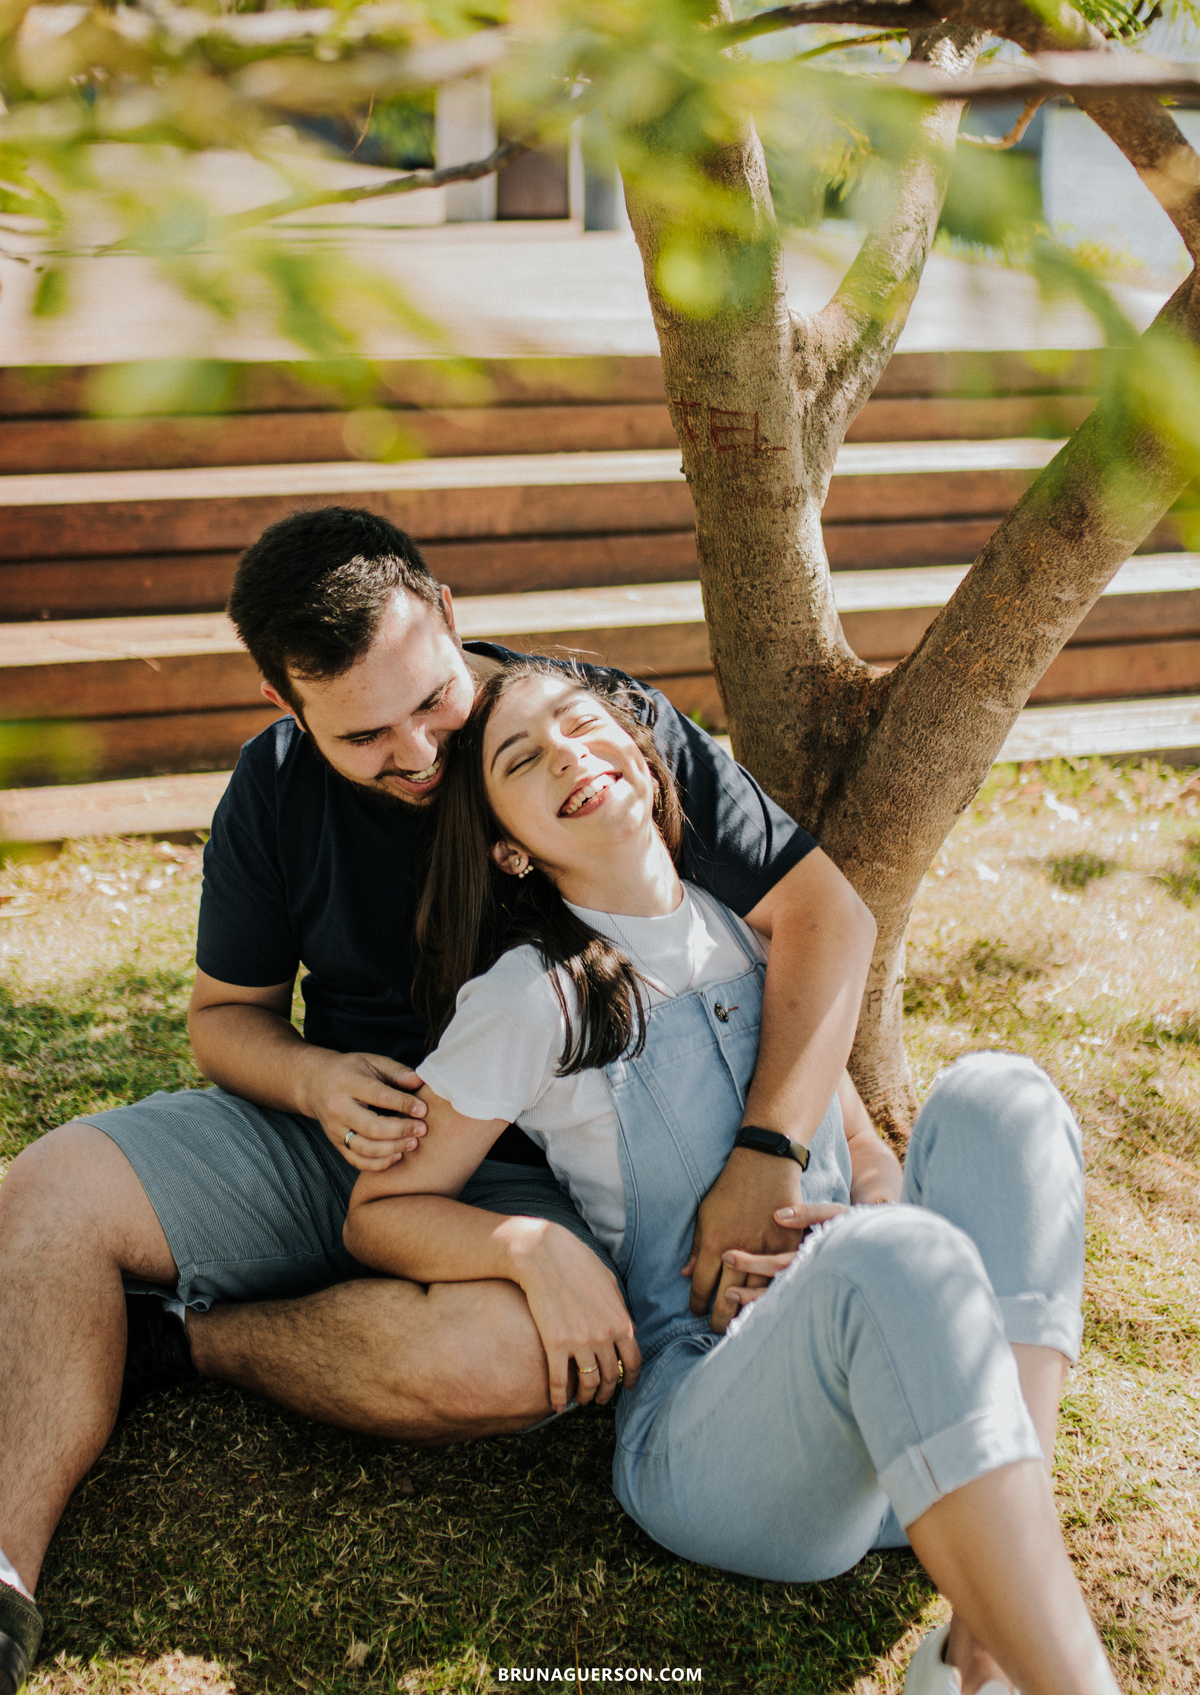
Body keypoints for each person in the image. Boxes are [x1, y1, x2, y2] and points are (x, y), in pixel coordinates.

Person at [0, 508, 877, 1695]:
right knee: (46, 1194)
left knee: (512, 1365)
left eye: (431, 703)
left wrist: (773, 1149)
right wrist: (315, 1078)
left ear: (449, 616)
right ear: (284, 704)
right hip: (345, 1134)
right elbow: (224, 1017)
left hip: (562, 1171)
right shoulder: (272, 793)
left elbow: (820, 916)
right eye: (365, 735)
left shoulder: (580, 728)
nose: (418, 751)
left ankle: (192, 1340)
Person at [343, 661, 1116, 1695]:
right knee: (889, 1256)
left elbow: (865, 1154)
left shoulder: (754, 927)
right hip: (725, 1431)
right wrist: (530, 1250)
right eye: (523, 760)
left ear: (647, 759)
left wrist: (853, 1233)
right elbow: (381, 1212)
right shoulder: (534, 998)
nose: (569, 751)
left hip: (900, 1389)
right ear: (510, 848)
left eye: (582, 724)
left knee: (1001, 1095)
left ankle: (991, 1605)